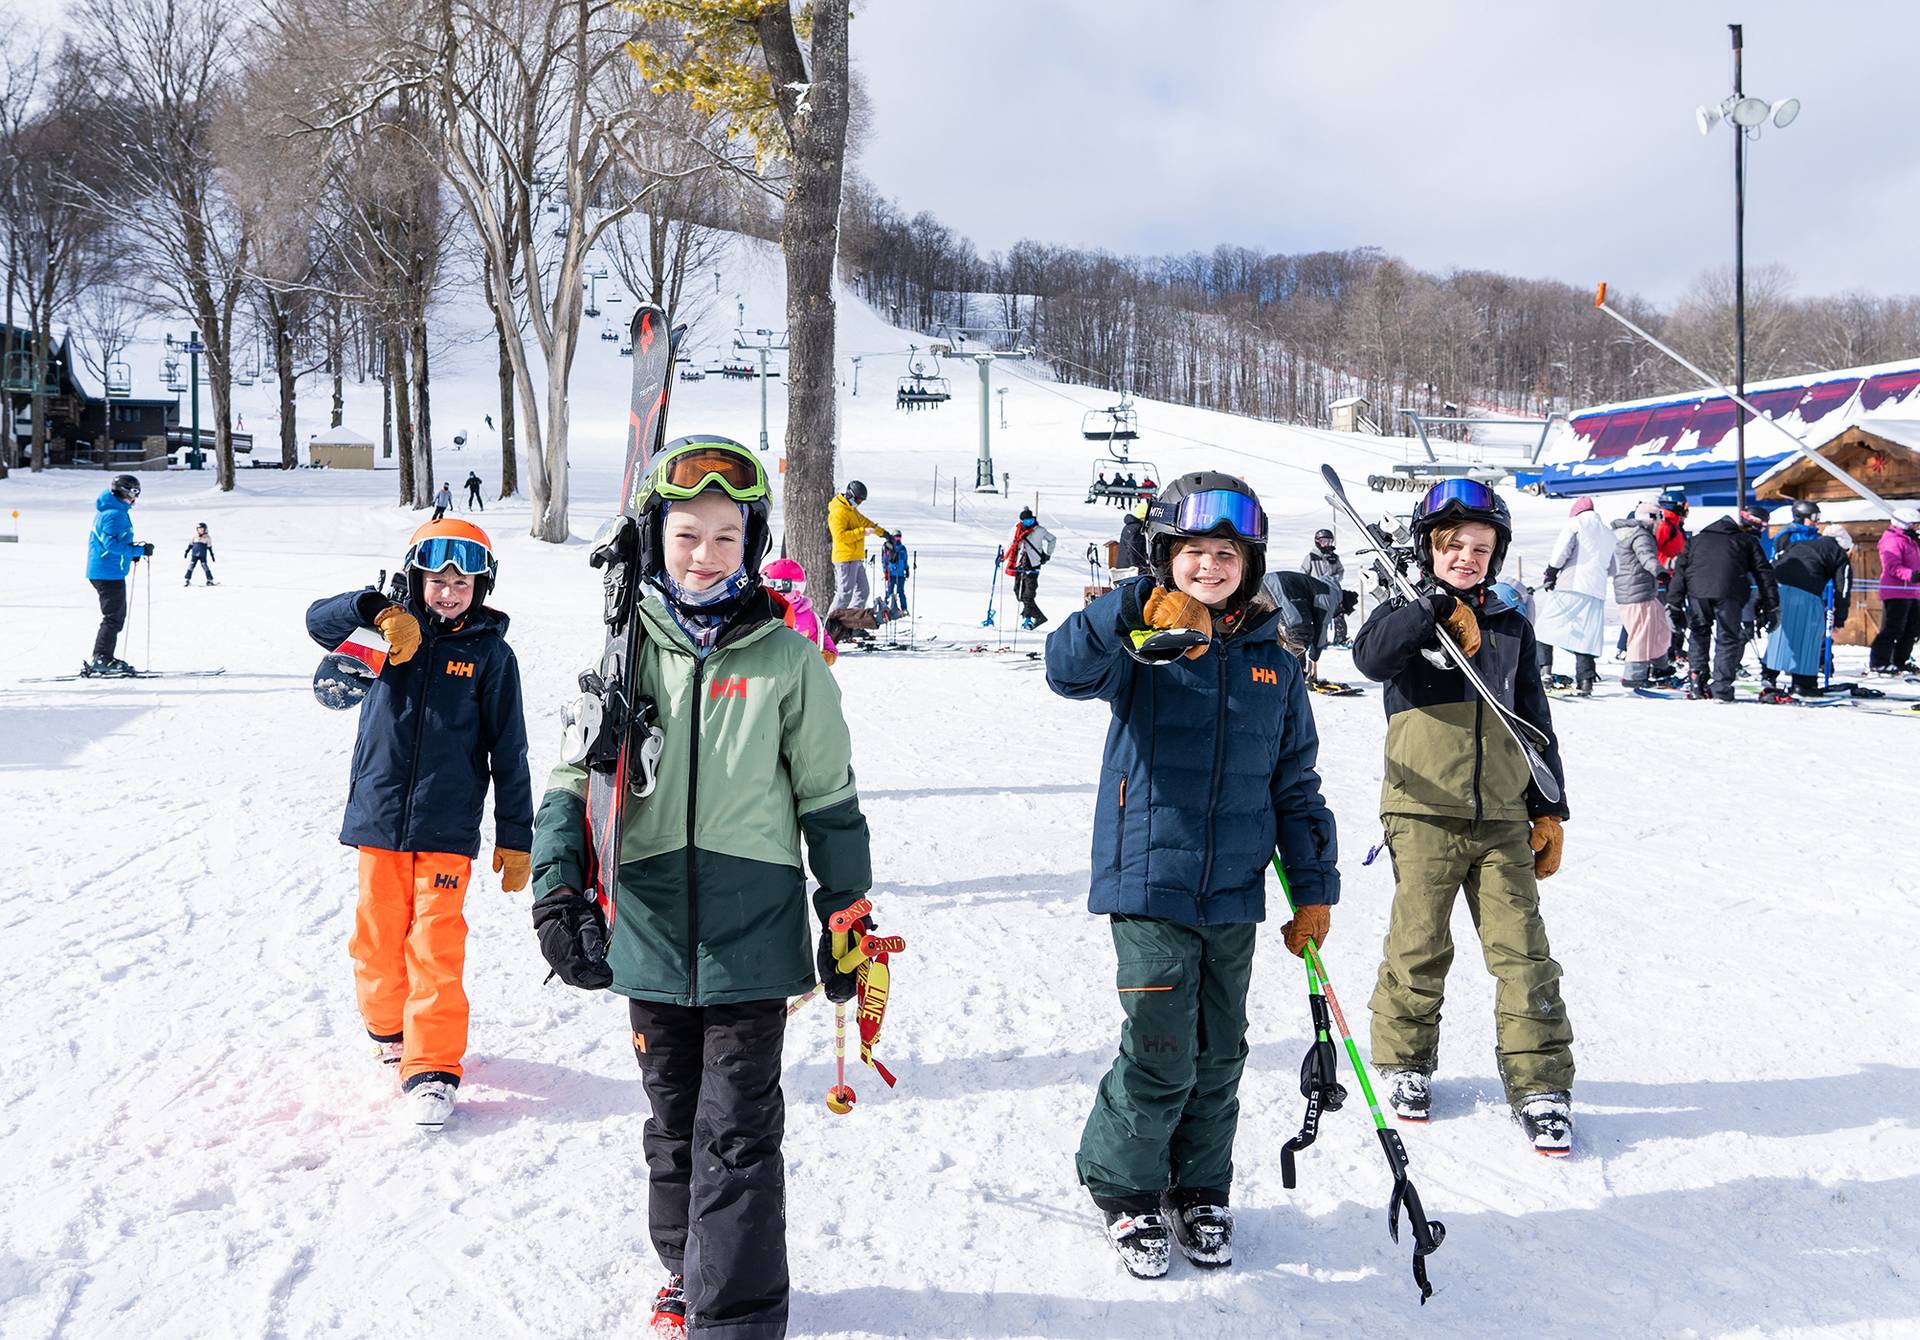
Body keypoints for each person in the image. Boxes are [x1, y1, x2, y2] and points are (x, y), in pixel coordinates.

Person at [528, 435, 874, 1339]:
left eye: (728, 536)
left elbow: (831, 800)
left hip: (751, 936)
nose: (705, 553)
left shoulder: (787, 659)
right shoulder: (620, 651)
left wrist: (846, 914)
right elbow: (571, 779)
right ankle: (687, 1271)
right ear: (656, 537)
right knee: (674, 1123)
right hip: (645, 933)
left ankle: (741, 1319)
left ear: (751, 545)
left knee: (739, 1135)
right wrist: (559, 891)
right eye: (687, 533)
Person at [1044, 471, 1338, 1278]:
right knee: (1161, 1048)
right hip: (1147, 882)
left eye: (1225, 553)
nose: (1208, 566)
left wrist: (1313, 890)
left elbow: (1295, 785)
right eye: (1192, 552)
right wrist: (1128, 609)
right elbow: (1064, 668)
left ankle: (1200, 1184)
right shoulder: (1140, 643)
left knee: (1221, 1052)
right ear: (1165, 557)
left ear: (1250, 560)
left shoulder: (1275, 661)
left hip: (1234, 891)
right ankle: (1125, 1188)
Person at [1350, 478, 1574, 1155]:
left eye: (1480, 548)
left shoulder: (1511, 626)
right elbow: (1369, 658)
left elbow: (1534, 719)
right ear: (1428, 549)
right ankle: (1404, 1063)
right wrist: (1430, 608)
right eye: (1452, 546)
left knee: (1523, 952)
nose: (1467, 558)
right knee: (1419, 943)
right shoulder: (1402, 613)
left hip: (1503, 812)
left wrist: (1550, 806)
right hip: (1423, 809)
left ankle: (1540, 1083)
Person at [302, 518, 533, 1129]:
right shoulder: (383, 636)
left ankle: (432, 1066)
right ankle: (388, 1028)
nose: (450, 591)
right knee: (377, 940)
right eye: (438, 579)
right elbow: (317, 620)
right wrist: (377, 610)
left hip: (447, 829)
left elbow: (510, 752)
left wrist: (516, 837)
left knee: (436, 946)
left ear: (482, 586)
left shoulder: (491, 655)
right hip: (378, 821)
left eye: (464, 580)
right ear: (417, 579)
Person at [1668, 502, 1779, 702]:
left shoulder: (1697, 540)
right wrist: (1771, 606)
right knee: (1727, 637)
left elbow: (1680, 572)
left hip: (1698, 592)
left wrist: (1674, 604)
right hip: (1730, 592)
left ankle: (1697, 682)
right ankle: (1721, 687)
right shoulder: (1746, 541)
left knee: (1699, 632)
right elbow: (1764, 574)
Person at [1534, 497, 1615, 695]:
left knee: (1545, 629)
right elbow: (1614, 568)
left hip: (1571, 585)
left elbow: (1561, 551)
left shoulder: (1576, 523)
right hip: (1596, 591)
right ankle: (1586, 681)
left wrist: (1551, 573)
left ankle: (1544, 673)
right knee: (1585, 637)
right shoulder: (1608, 533)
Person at [1761, 526, 1853, 699]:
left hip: (1778, 587)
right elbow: (1844, 588)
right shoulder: (1839, 554)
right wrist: (1839, 619)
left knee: (1781, 632)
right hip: (1807, 592)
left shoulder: (1801, 545)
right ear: (1843, 545)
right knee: (1808, 635)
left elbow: (1775, 562)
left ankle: (1769, 674)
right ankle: (1803, 683)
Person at [84, 473, 154, 676]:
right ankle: (101, 658)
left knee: (115, 616)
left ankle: (104, 656)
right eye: (135, 493)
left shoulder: (112, 511)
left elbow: (114, 543)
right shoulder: (114, 514)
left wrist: (131, 551)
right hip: (107, 573)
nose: (135, 499)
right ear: (125, 492)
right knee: (113, 617)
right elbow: (111, 545)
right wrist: (137, 551)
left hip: (107, 571)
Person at [1611, 502, 1674, 689]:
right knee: (1641, 633)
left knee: (1660, 627)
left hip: (1639, 590)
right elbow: (1646, 556)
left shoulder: (1627, 533)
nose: (1660, 523)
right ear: (1650, 518)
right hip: (1636, 591)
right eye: (1658, 518)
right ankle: (1634, 675)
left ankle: (1660, 665)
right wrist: (1660, 572)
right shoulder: (1640, 535)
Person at [826, 480, 886, 640]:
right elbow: (840, 536)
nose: (859, 503)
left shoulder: (850, 509)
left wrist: (883, 533)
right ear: (850, 495)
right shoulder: (838, 511)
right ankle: (830, 626)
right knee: (845, 593)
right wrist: (862, 532)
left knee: (863, 590)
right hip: (845, 558)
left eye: (861, 501)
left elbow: (865, 522)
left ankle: (851, 625)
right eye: (858, 500)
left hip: (856, 557)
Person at [763, 555, 839, 666]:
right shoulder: (764, 611)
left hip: (797, 670)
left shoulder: (807, 616)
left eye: (770, 587)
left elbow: (821, 637)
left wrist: (827, 654)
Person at [1871, 508, 1920, 674]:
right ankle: (1879, 661)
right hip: (1896, 591)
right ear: (1903, 524)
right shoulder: (1892, 540)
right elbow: (1892, 566)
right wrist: (1911, 575)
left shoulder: (1909, 540)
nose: (1916, 527)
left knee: (1912, 629)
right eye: (1914, 524)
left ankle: (1900, 660)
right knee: (1894, 628)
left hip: (1912, 591)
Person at [1006, 506, 1056, 629]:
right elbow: (1010, 545)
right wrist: (1003, 557)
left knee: (1029, 593)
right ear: (1022, 521)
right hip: (1019, 563)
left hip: (1033, 564)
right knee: (1018, 593)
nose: (1029, 523)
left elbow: (1052, 539)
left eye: (1031, 520)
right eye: (1026, 521)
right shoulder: (1015, 530)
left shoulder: (1039, 530)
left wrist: (1048, 554)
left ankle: (1029, 618)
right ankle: (1036, 615)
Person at [1301, 528, 1349, 644]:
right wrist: (1310, 584)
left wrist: (1334, 580)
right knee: (1320, 615)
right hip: (1316, 592)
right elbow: (1303, 573)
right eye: (1323, 541)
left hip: (1332, 591)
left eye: (1329, 541)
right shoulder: (1311, 557)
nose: (1326, 544)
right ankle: (1321, 640)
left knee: (1338, 613)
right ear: (1317, 541)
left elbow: (1340, 571)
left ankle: (1340, 638)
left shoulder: (1334, 557)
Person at [880, 531, 910, 618]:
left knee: (901, 592)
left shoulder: (903, 548)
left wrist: (907, 569)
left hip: (900, 574)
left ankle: (904, 609)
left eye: (899, 537)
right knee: (889, 592)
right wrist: (885, 570)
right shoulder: (888, 547)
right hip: (891, 573)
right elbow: (884, 560)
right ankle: (885, 608)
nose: (897, 539)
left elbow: (905, 560)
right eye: (896, 537)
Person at [1116, 506, 1148, 573]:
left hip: (1123, 566)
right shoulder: (1136, 528)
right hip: (1131, 569)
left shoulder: (1128, 526)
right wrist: (1138, 568)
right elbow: (1133, 550)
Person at [183, 522, 216, 587]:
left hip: (202, 555)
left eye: (202, 529)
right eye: (199, 529)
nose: (200, 530)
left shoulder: (207, 538)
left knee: (204, 566)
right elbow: (191, 544)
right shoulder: (195, 536)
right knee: (191, 566)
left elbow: (209, 547)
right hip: (194, 554)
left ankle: (210, 580)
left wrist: (212, 555)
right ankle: (187, 579)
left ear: (205, 530)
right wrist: (187, 551)